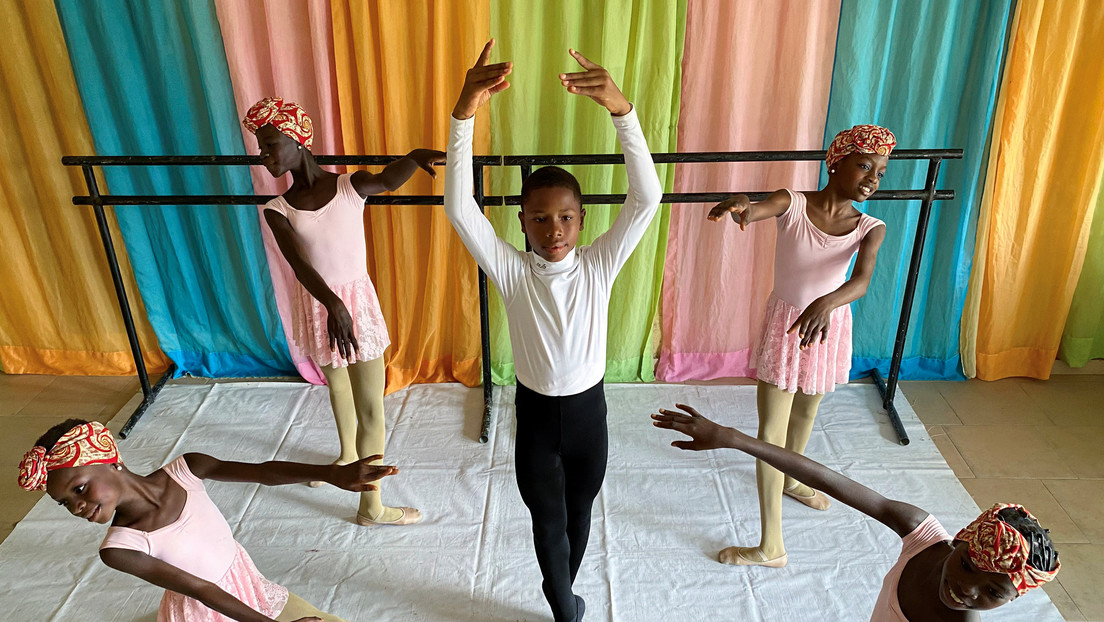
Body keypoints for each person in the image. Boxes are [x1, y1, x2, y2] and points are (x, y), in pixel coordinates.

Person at [444, 40, 662, 622]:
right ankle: (566, 610)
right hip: (537, 417)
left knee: (580, 510)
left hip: (589, 414)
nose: (553, 228)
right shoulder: (513, 272)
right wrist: (463, 111)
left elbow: (648, 198)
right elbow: (460, 207)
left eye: (565, 216)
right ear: (521, 222)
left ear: (582, 218)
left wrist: (623, 112)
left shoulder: (598, 264)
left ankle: (567, 598)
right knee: (547, 519)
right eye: (539, 217)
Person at [652, 404, 1060, 621]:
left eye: (993, 593)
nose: (967, 590)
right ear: (958, 540)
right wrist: (733, 438)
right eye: (969, 565)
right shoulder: (922, 534)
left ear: (1011, 600)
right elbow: (828, 480)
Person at [243, 97, 443, 525]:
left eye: (270, 143)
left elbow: (389, 180)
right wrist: (332, 304)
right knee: (338, 391)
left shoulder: (350, 187)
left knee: (371, 405)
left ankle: (371, 504)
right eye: (260, 147)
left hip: (357, 308)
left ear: (298, 139)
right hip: (320, 308)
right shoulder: (277, 210)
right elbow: (299, 265)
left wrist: (413, 157)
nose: (264, 155)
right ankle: (349, 460)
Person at [703, 125, 894, 566]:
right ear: (836, 162)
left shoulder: (870, 227)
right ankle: (771, 545)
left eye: (880, 173)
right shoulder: (794, 202)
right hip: (787, 326)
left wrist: (827, 303)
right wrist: (743, 207)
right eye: (865, 165)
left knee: (807, 412)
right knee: (771, 433)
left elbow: (861, 281)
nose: (872, 178)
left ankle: (791, 478)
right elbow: (761, 207)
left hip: (827, 326)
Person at [19, 419, 398, 621]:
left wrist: (332, 474)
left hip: (244, 582)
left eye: (80, 489)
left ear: (110, 459)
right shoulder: (120, 549)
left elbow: (264, 472)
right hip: (205, 611)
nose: (77, 507)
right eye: (65, 504)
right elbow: (202, 591)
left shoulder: (187, 469)